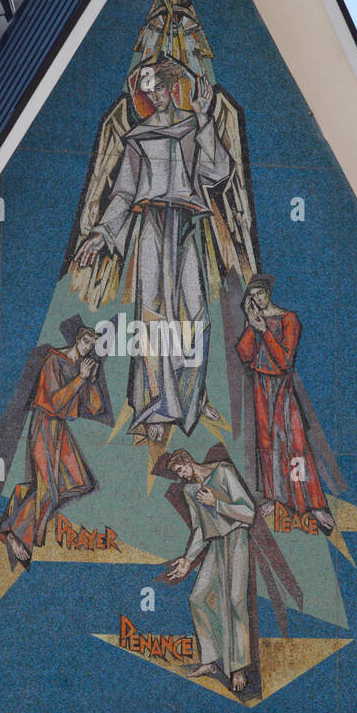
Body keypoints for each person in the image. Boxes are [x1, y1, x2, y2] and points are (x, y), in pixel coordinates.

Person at [76, 59, 231, 441]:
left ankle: (190, 396)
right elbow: (125, 192)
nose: (154, 96)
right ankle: (158, 404)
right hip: (150, 225)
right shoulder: (138, 136)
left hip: (188, 223)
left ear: (174, 86)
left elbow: (218, 173)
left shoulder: (195, 126)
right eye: (147, 91)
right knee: (152, 316)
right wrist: (102, 232)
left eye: (159, 88)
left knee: (195, 313)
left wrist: (204, 117)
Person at [236, 275, 344, 534]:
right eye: (253, 296)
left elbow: (285, 360)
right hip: (261, 386)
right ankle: (277, 497)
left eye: (260, 294)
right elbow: (244, 353)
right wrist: (252, 326)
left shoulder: (289, 319)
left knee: (295, 444)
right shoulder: (257, 321)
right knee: (266, 443)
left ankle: (314, 503)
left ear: (268, 293)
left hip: (282, 387)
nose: (258, 300)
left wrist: (264, 331)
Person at [0, 321, 107, 566]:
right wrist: (80, 379)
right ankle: (12, 533)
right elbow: (54, 403)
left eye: (93, 344)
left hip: (60, 430)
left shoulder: (81, 367)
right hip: (45, 424)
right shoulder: (53, 360)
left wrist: (91, 380)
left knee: (80, 482)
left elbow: (95, 407)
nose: (88, 348)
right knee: (50, 489)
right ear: (78, 339)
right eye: (86, 341)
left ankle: (21, 499)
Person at [166, 448, 255, 692]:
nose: (181, 476)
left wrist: (217, 503)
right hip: (216, 544)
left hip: (236, 540)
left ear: (188, 461)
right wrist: (187, 559)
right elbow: (199, 530)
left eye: (180, 469)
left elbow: (248, 513)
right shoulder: (190, 490)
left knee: (235, 602)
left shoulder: (223, 471)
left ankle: (238, 668)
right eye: (177, 473)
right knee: (198, 598)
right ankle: (211, 659)